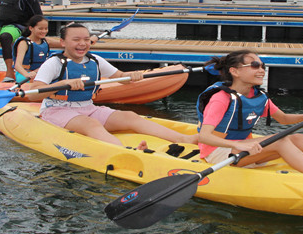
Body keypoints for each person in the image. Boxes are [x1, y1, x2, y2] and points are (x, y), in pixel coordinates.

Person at [24, 23, 196, 149]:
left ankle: (183, 138)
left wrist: (132, 76)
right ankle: (124, 151)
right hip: (57, 110)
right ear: (63, 42)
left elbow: (120, 77)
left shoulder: (95, 60)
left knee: (130, 116)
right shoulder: (54, 63)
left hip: (88, 107)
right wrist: (63, 84)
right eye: (76, 40)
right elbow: (33, 93)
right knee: (91, 125)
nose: (82, 44)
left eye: (86, 39)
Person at [13, 15, 51, 83]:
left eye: (46, 28)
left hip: (39, 73)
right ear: (31, 28)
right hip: (24, 74)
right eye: (40, 29)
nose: (44, 31)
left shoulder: (45, 41)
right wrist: (27, 75)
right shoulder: (24, 43)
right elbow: (17, 65)